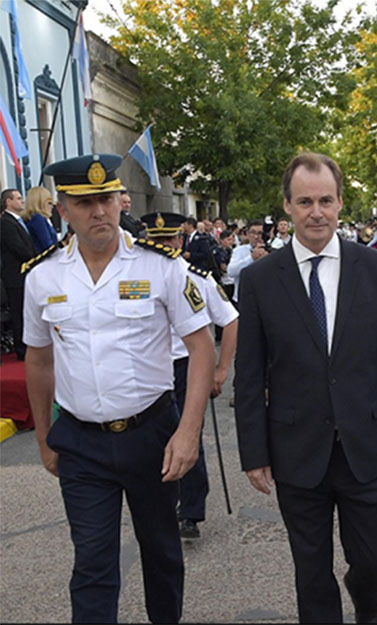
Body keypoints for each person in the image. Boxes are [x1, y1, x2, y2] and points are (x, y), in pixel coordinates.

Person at [23, 153, 216, 623]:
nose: (100, 212)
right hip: (83, 442)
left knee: (162, 553)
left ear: (118, 200)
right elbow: (39, 358)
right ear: (62, 209)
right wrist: (46, 437)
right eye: (86, 203)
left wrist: (188, 433)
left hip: (152, 436)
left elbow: (202, 346)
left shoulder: (161, 267)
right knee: (92, 562)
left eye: (106, 199)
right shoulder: (43, 276)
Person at [234, 152, 377, 623]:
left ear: (340, 203)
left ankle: (364, 596)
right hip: (296, 447)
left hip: (367, 442)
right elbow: (250, 372)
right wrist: (253, 452)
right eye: (304, 202)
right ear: (288, 207)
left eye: (325, 200)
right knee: (311, 570)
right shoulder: (259, 280)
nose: (316, 212)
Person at [140, 211, 239, 540]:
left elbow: (230, 319)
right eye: (156, 240)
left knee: (187, 433)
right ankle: (161, 501)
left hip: (186, 367)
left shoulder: (196, 276)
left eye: (169, 239)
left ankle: (191, 511)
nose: (162, 246)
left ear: (180, 241)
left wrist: (221, 368)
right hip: (149, 369)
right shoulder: (131, 276)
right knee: (151, 439)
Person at [0, 188, 36, 360]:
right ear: (8, 202)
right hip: (15, 276)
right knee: (18, 313)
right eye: (18, 198)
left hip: (25, 274)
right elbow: (19, 248)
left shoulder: (18, 221)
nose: (22, 201)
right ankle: (22, 349)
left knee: (26, 312)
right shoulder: (5, 223)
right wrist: (35, 257)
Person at [226, 219, 268, 302]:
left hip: (264, 299)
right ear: (248, 234)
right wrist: (251, 258)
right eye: (253, 233)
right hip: (243, 299)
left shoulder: (270, 251)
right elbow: (231, 272)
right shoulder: (239, 251)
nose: (256, 237)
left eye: (259, 233)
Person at [24, 186, 59, 252]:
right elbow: (47, 244)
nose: (52, 207)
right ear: (41, 203)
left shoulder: (42, 219)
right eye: (49, 203)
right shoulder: (38, 219)